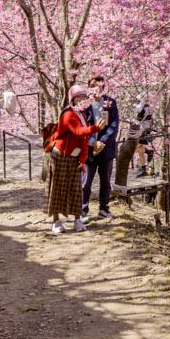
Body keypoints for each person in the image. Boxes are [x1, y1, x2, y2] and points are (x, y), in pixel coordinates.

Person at [43, 85, 98, 234]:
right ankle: (56, 220)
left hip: (74, 158)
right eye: (78, 97)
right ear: (73, 99)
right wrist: (96, 128)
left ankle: (77, 219)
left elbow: (84, 140)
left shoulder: (83, 115)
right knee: (57, 188)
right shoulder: (68, 114)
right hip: (60, 156)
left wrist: (83, 160)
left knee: (75, 190)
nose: (81, 100)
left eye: (83, 97)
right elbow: (79, 132)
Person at [78, 78, 120, 222]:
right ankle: (83, 211)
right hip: (89, 149)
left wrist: (102, 141)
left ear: (103, 87)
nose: (95, 88)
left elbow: (114, 125)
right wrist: (92, 142)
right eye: (92, 85)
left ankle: (104, 208)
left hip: (106, 148)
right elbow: (81, 125)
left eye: (98, 85)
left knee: (105, 181)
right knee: (86, 182)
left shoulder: (110, 102)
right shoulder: (84, 105)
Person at [116, 98, 154, 187]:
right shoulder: (148, 107)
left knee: (132, 148)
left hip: (141, 130)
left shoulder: (142, 108)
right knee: (139, 149)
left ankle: (148, 152)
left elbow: (139, 119)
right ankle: (143, 168)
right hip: (145, 129)